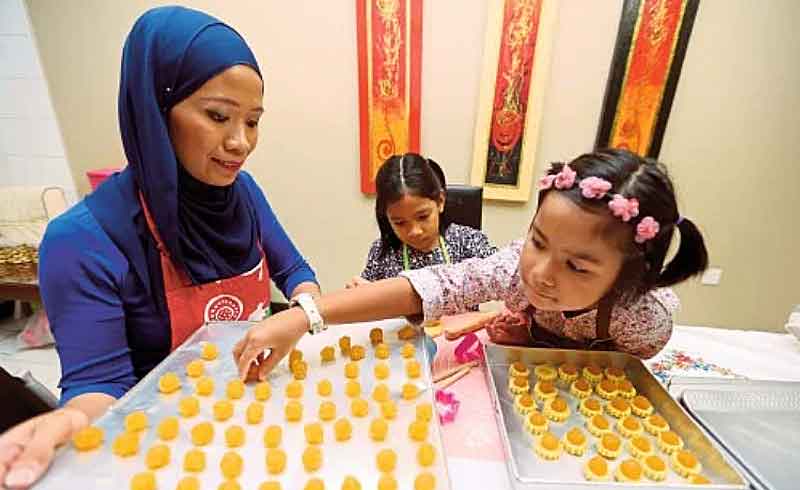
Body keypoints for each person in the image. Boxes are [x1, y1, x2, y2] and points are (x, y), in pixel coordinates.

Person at [0, 6, 318, 490]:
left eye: (254, 120)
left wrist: (305, 312)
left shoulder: (242, 195)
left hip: (253, 443)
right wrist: (70, 423)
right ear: (157, 108)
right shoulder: (84, 241)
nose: (241, 142)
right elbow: (100, 388)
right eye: (218, 116)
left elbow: (297, 271)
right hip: (160, 468)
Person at [234, 148, 709, 378]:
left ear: (627, 278)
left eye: (578, 267)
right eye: (537, 241)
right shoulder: (512, 271)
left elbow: (614, 374)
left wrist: (534, 338)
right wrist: (304, 316)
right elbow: (434, 284)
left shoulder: (645, 322)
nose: (541, 273)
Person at [348, 153, 495, 288]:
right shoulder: (382, 252)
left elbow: (507, 277)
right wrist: (359, 293)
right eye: (399, 223)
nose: (415, 231)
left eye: (423, 217)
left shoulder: (468, 241)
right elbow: (366, 300)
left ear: (440, 202)